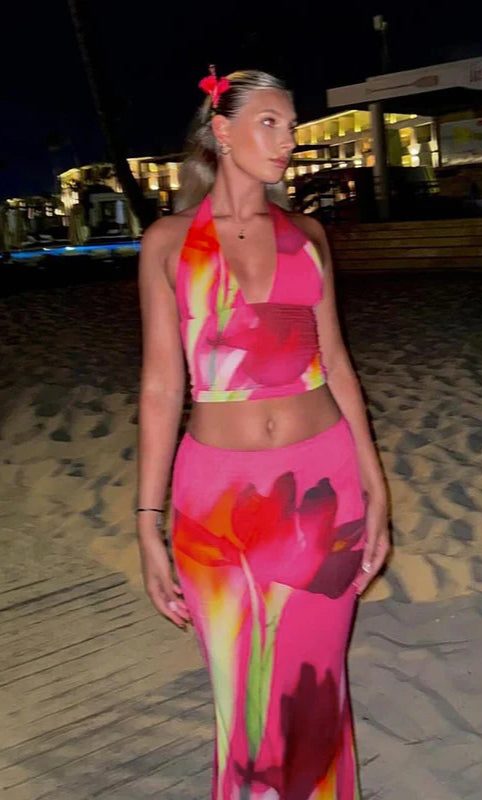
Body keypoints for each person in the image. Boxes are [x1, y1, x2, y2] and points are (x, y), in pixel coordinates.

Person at [137, 66, 390, 799]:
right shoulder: (169, 243)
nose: (287, 140)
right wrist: (147, 521)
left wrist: (375, 486)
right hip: (216, 499)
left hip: (323, 486)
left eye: (291, 126)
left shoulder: (307, 237)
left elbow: (336, 363)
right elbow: (161, 387)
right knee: (242, 698)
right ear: (222, 131)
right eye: (269, 123)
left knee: (315, 692)